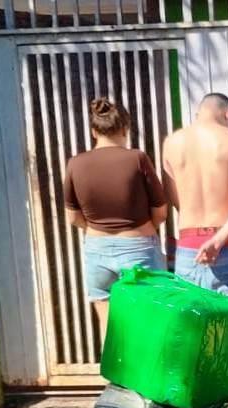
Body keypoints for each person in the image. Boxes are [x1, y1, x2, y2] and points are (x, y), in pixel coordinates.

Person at [162, 93, 228, 408]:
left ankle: (197, 407)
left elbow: (174, 198)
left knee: (192, 333)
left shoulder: (172, 143)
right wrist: (218, 239)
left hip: (188, 247)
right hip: (227, 246)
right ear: (227, 112)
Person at [63, 97, 167, 342]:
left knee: (110, 326)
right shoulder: (137, 159)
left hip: (96, 249)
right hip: (138, 247)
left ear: (93, 131)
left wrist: (96, 229)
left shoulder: (75, 164)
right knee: (148, 319)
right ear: (125, 128)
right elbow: (161, 212)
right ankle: (144, 380)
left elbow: (72, 216)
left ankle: (116, 378)